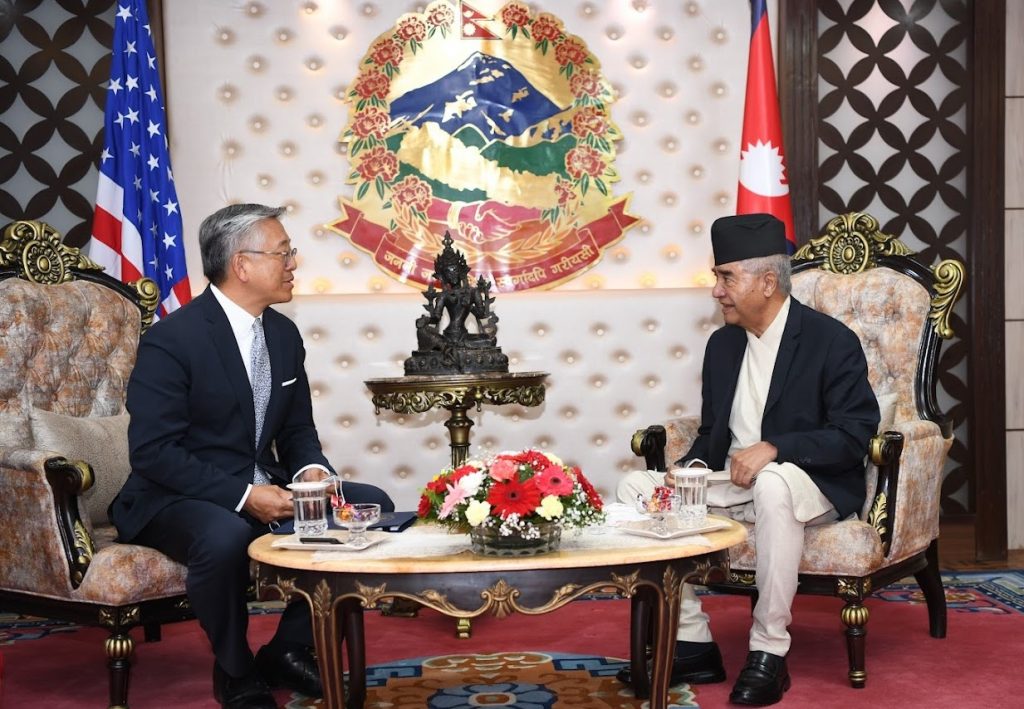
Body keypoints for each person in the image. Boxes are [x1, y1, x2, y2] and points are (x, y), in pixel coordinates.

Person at [110, 203, 394, 709]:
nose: (293, 264)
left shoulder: (283, 334)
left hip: (265, 483)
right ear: (242, 264)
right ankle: (235, 670)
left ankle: (287, 649)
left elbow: (299, 430)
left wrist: (311, 473)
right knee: (226, 535)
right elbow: (154, 453)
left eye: (291, 253)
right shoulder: (172, 341)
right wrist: (244, 497)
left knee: (371, 504)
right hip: (176, 495)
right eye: (283, 253)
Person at [616, 213, 879, 706]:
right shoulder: (722, 345)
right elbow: (714, 434)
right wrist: (690, 472)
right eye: (717, 277)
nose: (717, 290)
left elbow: (853, 436)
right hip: (735, 483)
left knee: (774, 483)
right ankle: (693, 642)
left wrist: (776, 448)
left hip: (810, 483)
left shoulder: (830, 341)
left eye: (725, 277)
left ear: (767, 281)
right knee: (638, 490)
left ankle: (768, 652)